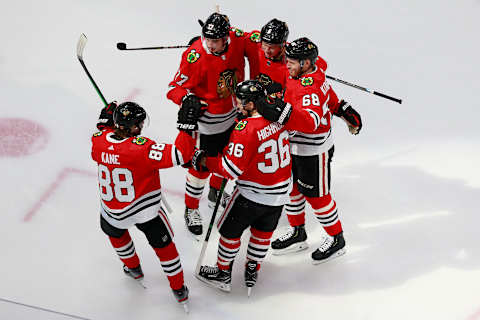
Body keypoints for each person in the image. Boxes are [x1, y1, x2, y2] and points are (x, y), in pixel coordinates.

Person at [194, 80, 322, 294]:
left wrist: (205, 161)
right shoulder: (278, 118)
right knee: (262, 233)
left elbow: (231, 169)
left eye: (242, 102)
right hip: (280, 196)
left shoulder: (246, 128)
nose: (238, 106)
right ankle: (253, 268)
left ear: (252, 104)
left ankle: (223, 273)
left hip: (251, 195)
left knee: (229, 233)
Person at [91, 101, 196, 308]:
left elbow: (103, 133)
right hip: (145, 212)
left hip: (111, 212)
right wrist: (186, 125)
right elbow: (181, 154)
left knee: (118, 237)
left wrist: (104, 122)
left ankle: (133, 268)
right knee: (166, 249)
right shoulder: (142, 148)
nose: (140, 127)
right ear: (129, 127)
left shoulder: (98, 141)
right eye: (137, 124)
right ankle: (179, 289)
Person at [269, 37, 362, 264]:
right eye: (287, 59)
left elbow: (309, 122)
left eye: (292, 61)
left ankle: (336, 238)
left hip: (313, 151)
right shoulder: (306, 74)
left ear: (307, 63)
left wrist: (280, 111)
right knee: (293, 189)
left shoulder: (308, 87)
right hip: (294, 147)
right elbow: (329, 99)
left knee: (317, 197)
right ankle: (298, 232)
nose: (287, 65)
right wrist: (342, 110)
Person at [167, 12, 256, 238]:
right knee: (199, 169)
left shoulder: (236, 39)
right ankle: (191, 208)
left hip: (233, 115)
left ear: (226, 38)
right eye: (207, 39)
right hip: (206, 123)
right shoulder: (194, 56)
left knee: (225, 160)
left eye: (215, 40)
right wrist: (186, 99)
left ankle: (216, 193)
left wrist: (281, 50)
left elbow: (257, 39)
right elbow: (172, 88)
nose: (210, 44)